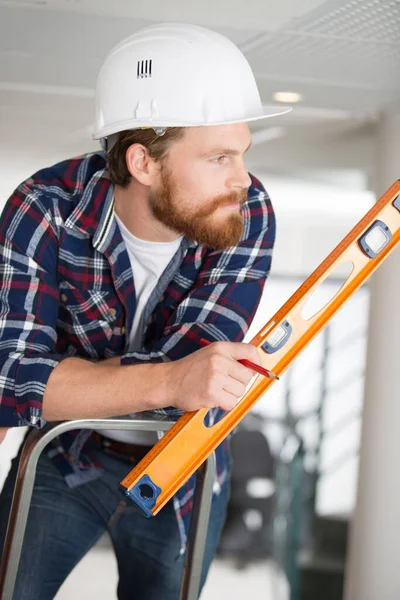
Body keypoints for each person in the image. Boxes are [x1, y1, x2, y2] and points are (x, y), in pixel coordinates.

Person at [0, 22, 289, 600]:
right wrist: (168, 379)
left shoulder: (246, 212)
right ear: (143, 162)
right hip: (65, 455)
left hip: (182, 466)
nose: (242, 178)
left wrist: (60, 379)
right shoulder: (44, 208)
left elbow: (193, 372)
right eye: (218, 157)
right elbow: (9, 380)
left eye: (242, 154)